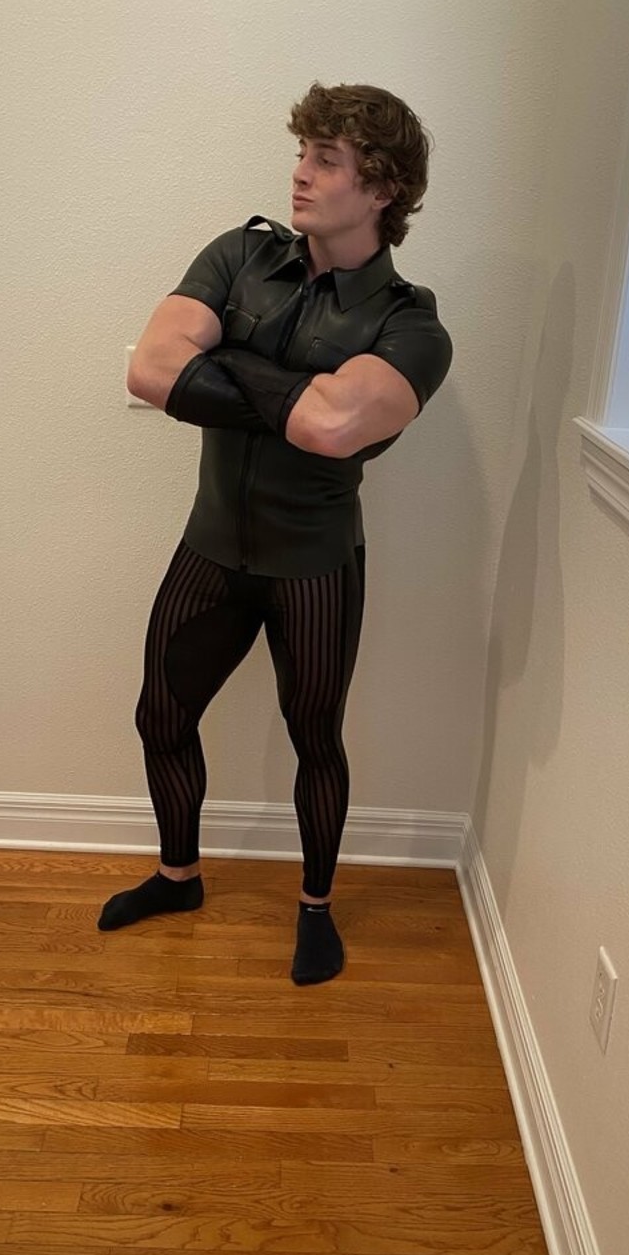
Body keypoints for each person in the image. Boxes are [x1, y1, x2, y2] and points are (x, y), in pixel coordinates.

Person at [97, 82, 453, 985]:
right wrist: (295, 394)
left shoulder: (411, 323)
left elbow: (335, 429)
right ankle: (178, 877)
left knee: (315, 738)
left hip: (314, 563)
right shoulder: (240, 255)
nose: (300, 173)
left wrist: (227, 361)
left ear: (382, 189)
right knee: (160, 714)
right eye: (302, 153)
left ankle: (316, 907)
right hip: (211, 546)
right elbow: (151, 369)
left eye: (326, 160)